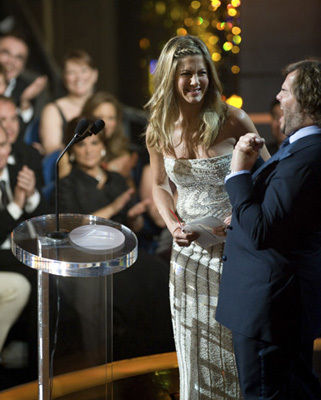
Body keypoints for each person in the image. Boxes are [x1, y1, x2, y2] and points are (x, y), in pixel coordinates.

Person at [145, 35, 270, 399]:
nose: (195, 81)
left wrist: (240, 216)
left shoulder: (233, 118)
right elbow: (159, 185)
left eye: (201, 73)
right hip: (187, 256)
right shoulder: (160, 126)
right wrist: (173, 226)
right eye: (186, 75)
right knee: (194, 349)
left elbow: (268, 178)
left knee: (232, 348)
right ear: (170, 78)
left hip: (236, 251)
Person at [216, 58, 321, 399]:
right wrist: (242, 219)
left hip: (271, 308)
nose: (278, 98)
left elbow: (262, 231)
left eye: (286, 91)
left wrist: (238, 171)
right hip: (277, 305)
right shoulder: (300, 148)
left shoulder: (308, 156)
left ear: (307, 101)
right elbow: (280, 218)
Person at [39, 49, 98, 156]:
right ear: (64, 78)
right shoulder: (53, 109)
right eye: (71, 72)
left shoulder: (105, 106)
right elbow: (52, 151)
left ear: (94, 75)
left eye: (84, 70)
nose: (79, 77)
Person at [82, 91, 139, 185]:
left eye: (111, 118)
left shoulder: (122, 153)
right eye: (99, 118)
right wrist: (108, 172)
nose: (105, 124)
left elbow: (130, 194)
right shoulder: (74, 150)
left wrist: (125, 176)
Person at [0, 31, 48, 125]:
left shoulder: (30, 90)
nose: (11, 62)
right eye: (6, 53)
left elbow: (27, 134)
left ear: (24, 66)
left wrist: (24, 102)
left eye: (19, 57)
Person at [0, 95, 44, 189]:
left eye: (14, 119)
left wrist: (31, 195)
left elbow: (41, 197)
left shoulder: (31, 154)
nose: (10, 126)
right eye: (2, 120)